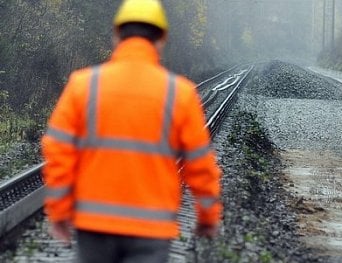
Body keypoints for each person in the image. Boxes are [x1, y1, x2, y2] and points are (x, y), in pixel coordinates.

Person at [41, 0, 222, 262]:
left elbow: (57, 151)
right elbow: (200, 165)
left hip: (94, 224)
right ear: (162, 39)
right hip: (151, 228)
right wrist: (208, 216)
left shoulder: (84, 85)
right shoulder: (180, 94)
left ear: (116, 35)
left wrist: (58, 211)